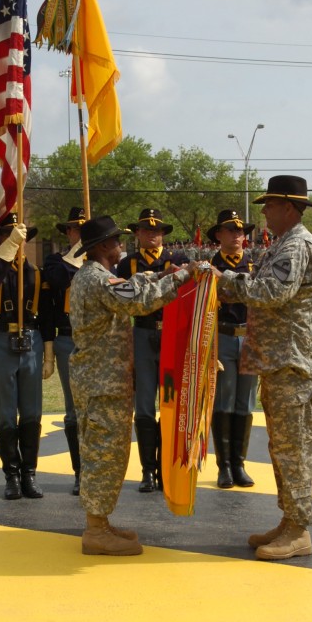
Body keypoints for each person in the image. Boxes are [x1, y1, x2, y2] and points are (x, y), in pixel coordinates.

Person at [211, 175, 312, 562]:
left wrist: (221, 280)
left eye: (269, 205)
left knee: (295, 448)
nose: (263, 211)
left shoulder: (297, 246)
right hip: (279, 363)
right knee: (282, 446)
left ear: (289, 207)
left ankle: (299, 529)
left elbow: (272, 293)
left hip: (293, 363)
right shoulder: (283, 245)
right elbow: (260, 283)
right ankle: (289, 520)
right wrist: (223, 281)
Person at [67, 215, 194, 556]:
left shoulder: (95, 276)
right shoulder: (97, 280)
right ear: (104, 247)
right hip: (101, 382)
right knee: (103, 454)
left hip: (101, 380)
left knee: (106, 451)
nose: (121, 246)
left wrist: (159, 275)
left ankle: (102, 521)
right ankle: (95, 530)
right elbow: (137, 302)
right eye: (116, 241)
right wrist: (183, 276)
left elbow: (132, 285)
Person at [0, 212, 55, 500]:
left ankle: (29, 474)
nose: (16, 242)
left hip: (31, 340)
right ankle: (11, 474)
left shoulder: (36, 271)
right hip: (0, 339)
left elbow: (46, 316)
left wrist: (48, 353)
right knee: (6, 412)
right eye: (8, 237)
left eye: (18, 237)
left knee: (32, 412)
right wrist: (8, 249)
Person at [117, 208, 189, 493]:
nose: (153, 235)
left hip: (171, 334)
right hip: (143, 332)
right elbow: (125, 298)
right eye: (147, 230)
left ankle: (166, 469)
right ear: (137, 234)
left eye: (157, 231)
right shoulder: (127, 265)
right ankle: (148, 470)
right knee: (144, 405)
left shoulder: (178, 260)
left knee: (170, 406)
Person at [208, 209, 258, 488]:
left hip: (249, 337)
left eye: (240, 231)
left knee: (246, 402)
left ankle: (240, 463)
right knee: (224, 401)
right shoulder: (210, 265)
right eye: (230, 230)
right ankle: (224, 466)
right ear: (218, 235)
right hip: (222, 336)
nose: (237, 236)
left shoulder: (253, 266)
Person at [43, 206, 86, 495]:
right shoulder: (56, 260)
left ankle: (99, 471)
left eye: (85, 229)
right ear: (67, 232)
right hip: (67, 340)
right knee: (73, 412)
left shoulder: (103, 260)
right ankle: (80, 472)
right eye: (75, 229)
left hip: (98, 340)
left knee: (97, 411)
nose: (79, 233)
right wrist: (78, 257)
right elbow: (58, 279)